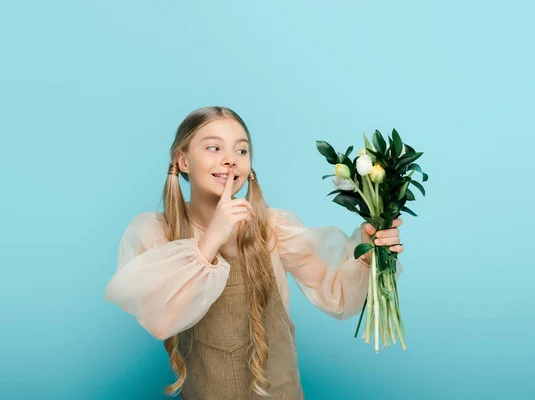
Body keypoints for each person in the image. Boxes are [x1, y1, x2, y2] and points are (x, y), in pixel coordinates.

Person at [103, 106, 404, 399]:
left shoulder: (272, 227)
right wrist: (212, 238)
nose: (230, 161)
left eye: (241, 150)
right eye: (213, 148)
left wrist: (368, 251)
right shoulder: (157, 233)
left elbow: (338, 292)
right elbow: (162, 320)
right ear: (183, 160)